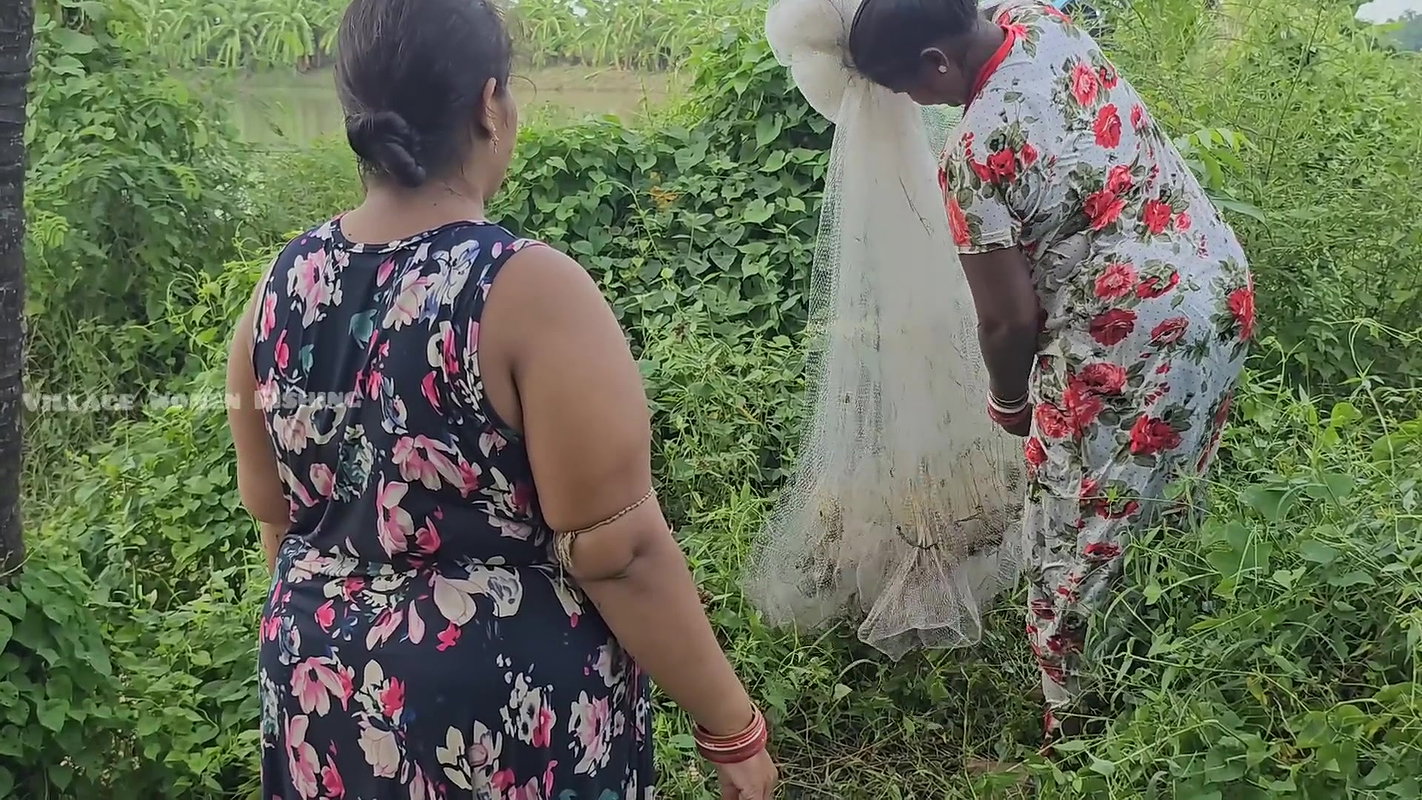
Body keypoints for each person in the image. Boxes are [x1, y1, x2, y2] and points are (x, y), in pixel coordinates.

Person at [224, 0, 778, 796]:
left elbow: (274, 516)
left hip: (318, 688)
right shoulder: (525, 290)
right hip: (494, 715)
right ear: (490, 104)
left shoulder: (277, 286)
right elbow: (617, 550)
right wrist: (733, 728)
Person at [847, 0, 1254, 742]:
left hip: (1129, 338)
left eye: (907, 86)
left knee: (1075, 529)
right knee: (1161, 499)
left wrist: (1007, 399)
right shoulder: (1035, 19)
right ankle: (1173, 674)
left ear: (937, 63)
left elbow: (1009, 320)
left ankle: (1079, 739)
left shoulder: (975, 153)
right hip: (1216, 291)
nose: (912, 104)